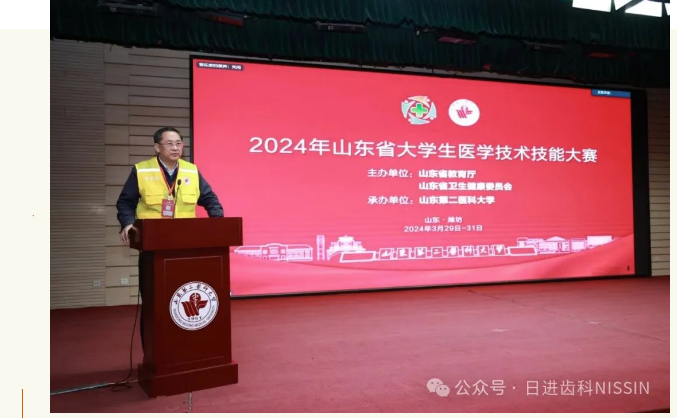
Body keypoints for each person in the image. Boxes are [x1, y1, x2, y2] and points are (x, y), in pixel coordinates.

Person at [116, 126, 224, 353]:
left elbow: (210, 199)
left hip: (186, 247)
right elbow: (125, 202)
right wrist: (127, 223)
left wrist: (218, 223)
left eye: (178, 143)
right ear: (157, 147)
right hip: (153, 248)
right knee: (156, 301)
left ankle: (185, 348)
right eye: (169, 143)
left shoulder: (191, 171)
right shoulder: (142, 170)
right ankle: (153, 353)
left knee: (183, 297)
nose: (175, 148)